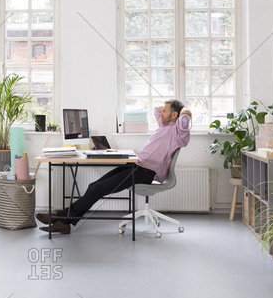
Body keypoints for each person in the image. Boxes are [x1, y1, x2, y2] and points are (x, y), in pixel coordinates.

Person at [37, 100, 192, 234]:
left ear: (174, 116)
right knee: (94, 186)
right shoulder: (163, 126)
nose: (161, 112)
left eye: (166, 111)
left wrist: (183, 111)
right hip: (135, 165)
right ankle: (65, 222)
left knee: (96, 190)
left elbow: (185, 117)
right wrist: (167, 109)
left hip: (145, 172)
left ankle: (61, 217)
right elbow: (157, 111)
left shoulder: (179, 133)